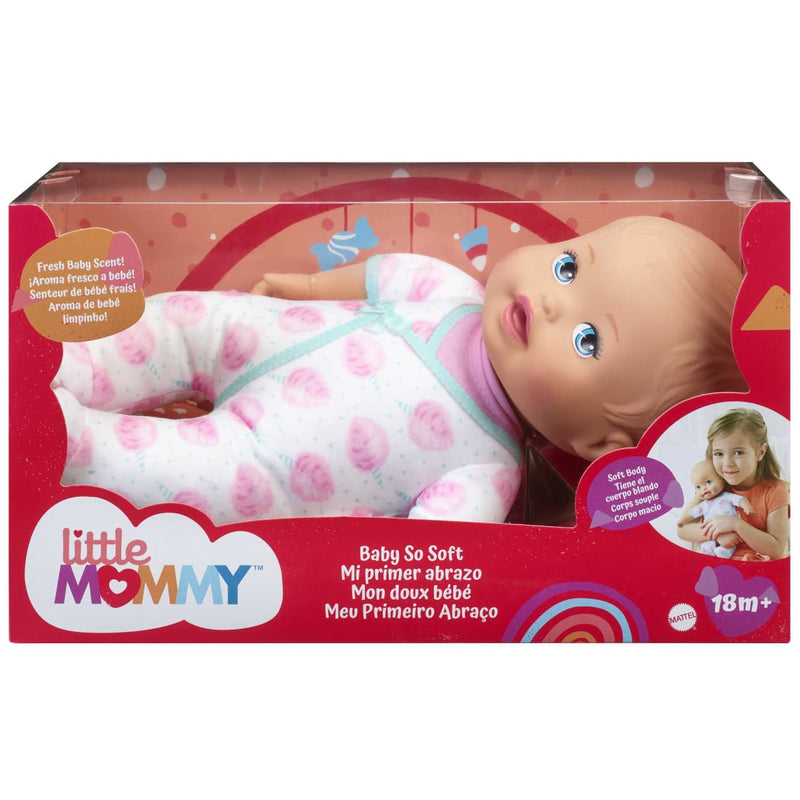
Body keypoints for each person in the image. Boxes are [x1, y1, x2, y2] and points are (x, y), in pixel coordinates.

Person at [53, 216, 746, 525]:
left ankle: (69, 441)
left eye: (588, 340)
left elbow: (431, 562)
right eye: (568, 265)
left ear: (598, 445)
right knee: (187, 320)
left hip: (266, 462)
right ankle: (72, 357)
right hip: (258, 335)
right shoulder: (451, 290)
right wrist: (303, 286)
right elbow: (373, 276)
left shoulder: (487, 472)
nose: (552, 301)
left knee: (185, 473)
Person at [677, 409, 789, 560]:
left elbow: (776, 549)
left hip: (755, 564)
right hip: (717, 562)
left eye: (738, 453)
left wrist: (736, 525)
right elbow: (682, 528)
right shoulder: (714, 486)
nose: (727, 463)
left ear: (760, 452)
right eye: (719, 454)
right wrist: (717, 534)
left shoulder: (775, 490)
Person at [677, 459, 754, 558]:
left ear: (722, 481)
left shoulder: (726, 497)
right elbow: (692, 513)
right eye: (698, 487)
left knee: (729, 545)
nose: (704, 488)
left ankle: (723, 553)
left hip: (729, 530)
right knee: (707, 546)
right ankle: (706, 553)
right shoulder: (704, 504)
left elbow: (739, 500)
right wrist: (682, 521)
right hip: (711, 533)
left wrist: (745, 505)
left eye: (708, 482)